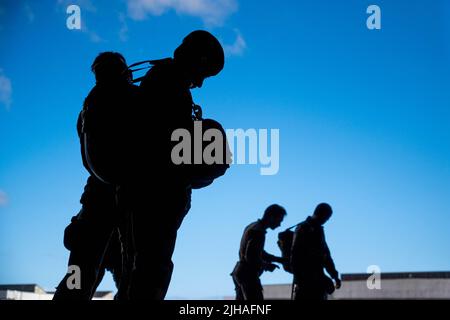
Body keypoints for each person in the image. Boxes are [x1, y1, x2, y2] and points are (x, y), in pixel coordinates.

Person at [120, 30, 226, 300]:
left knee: (140, 269)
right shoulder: (169, 83)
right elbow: (165, 145)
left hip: (146, 191)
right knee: (150, 271)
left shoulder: (161, 78)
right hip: (157, 193)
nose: (201, 83)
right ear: (199, 60)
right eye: (205, 73)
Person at [53, 52, 136, 300]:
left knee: (80, 274)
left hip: (96, 200)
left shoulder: (88, 107)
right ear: (124, 71)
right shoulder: (129, 97)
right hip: (126, 200)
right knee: (131, 278)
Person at [231, 204, 287, 300]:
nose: (279, 224)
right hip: (248, 276)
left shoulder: (252, 226)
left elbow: (257, 252)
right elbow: (250, 257)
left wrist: (279, 260)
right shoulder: (258, 232)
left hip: (240, 272)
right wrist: (266, 265)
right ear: (272, 217)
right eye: (279, 220)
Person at [290, 203, 342, 300]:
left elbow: (326, 255)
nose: (327, 221)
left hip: (316, 279)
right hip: (305, 281)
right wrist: (299, 279)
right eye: (327, 218)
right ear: (322, 214)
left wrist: (334, 275)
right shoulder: (303, 228)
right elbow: (295, 254)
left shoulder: (318, 230)